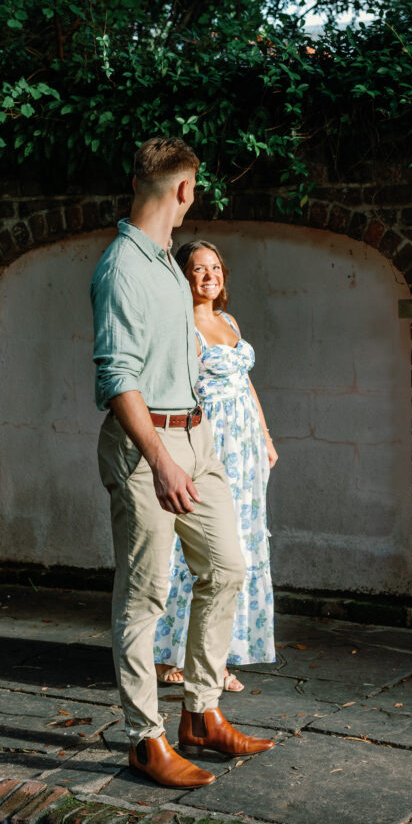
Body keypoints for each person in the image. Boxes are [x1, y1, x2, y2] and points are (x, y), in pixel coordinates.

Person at [90, 136, 274, 790]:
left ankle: (199, 712)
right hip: (151, 451)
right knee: (143, 596)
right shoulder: (122, 268)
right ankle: (145, 739)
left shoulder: (167, 262)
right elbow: (117, 378)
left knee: (226, 566)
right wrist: (163, 462)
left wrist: (204, 447)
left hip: (200, 443)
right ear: (184, 190)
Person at [154, 241, 278, 691]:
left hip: (244, 450)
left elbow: (246, 385)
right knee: (195, 549)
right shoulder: (180, 325)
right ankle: (180, 656)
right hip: (208, 444)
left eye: (216, 267)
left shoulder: (228, 321)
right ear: (182, 276)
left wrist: (265, 437)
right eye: (198, 268)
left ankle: (220, 652)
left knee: (238, 546)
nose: (210, 276)